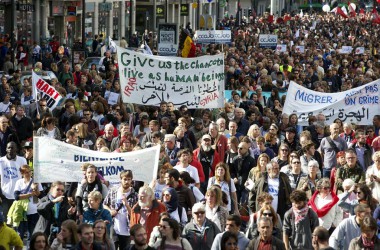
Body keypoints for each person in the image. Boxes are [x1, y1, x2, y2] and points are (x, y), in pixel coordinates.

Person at [103, 169, 138, 250]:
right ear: (121, 179)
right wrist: (110, 211)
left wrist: (126, 204)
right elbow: (104, 204)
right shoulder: (113, 191)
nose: (127, 181)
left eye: (129, 179)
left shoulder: (135, 195)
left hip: (127, 230)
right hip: (114, 227)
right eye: (125, 179)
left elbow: (134, 214)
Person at [12, 164, 43, 239]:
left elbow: (41, 196)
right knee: (20, 234)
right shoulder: (19, 182)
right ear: (22, 173)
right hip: (22, 212)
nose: (28, 174)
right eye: (26, 172)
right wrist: (30, 194)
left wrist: (36, 189)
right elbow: (16, 197)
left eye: (29, 172)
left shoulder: (36, 182)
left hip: (34, 212)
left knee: (33, 234)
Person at [0, 142, 27, 216]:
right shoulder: (1, 161)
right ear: (6, 149)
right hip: (4, 195)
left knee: (16, 220)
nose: (10, 149)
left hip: (18, 196)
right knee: (5, 221)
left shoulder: (22, 160)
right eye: (9, 147)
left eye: (12, 147)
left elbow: (26, 177)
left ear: (16, 149)